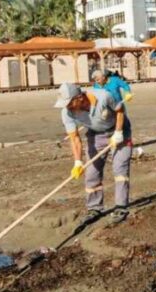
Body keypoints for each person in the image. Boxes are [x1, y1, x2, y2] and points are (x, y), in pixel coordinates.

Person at [54, 82, 131, 225]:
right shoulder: (67, 113)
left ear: (79, 98)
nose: (67, 107)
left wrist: (118, 132)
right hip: (95, 135)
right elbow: (75, 138)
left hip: (119, 131)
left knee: (120, 169)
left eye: (69, 103)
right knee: (92, 173)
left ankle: (121, 206)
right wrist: (77, 162)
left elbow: (120, 110)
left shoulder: (104, 97)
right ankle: (94, 208)